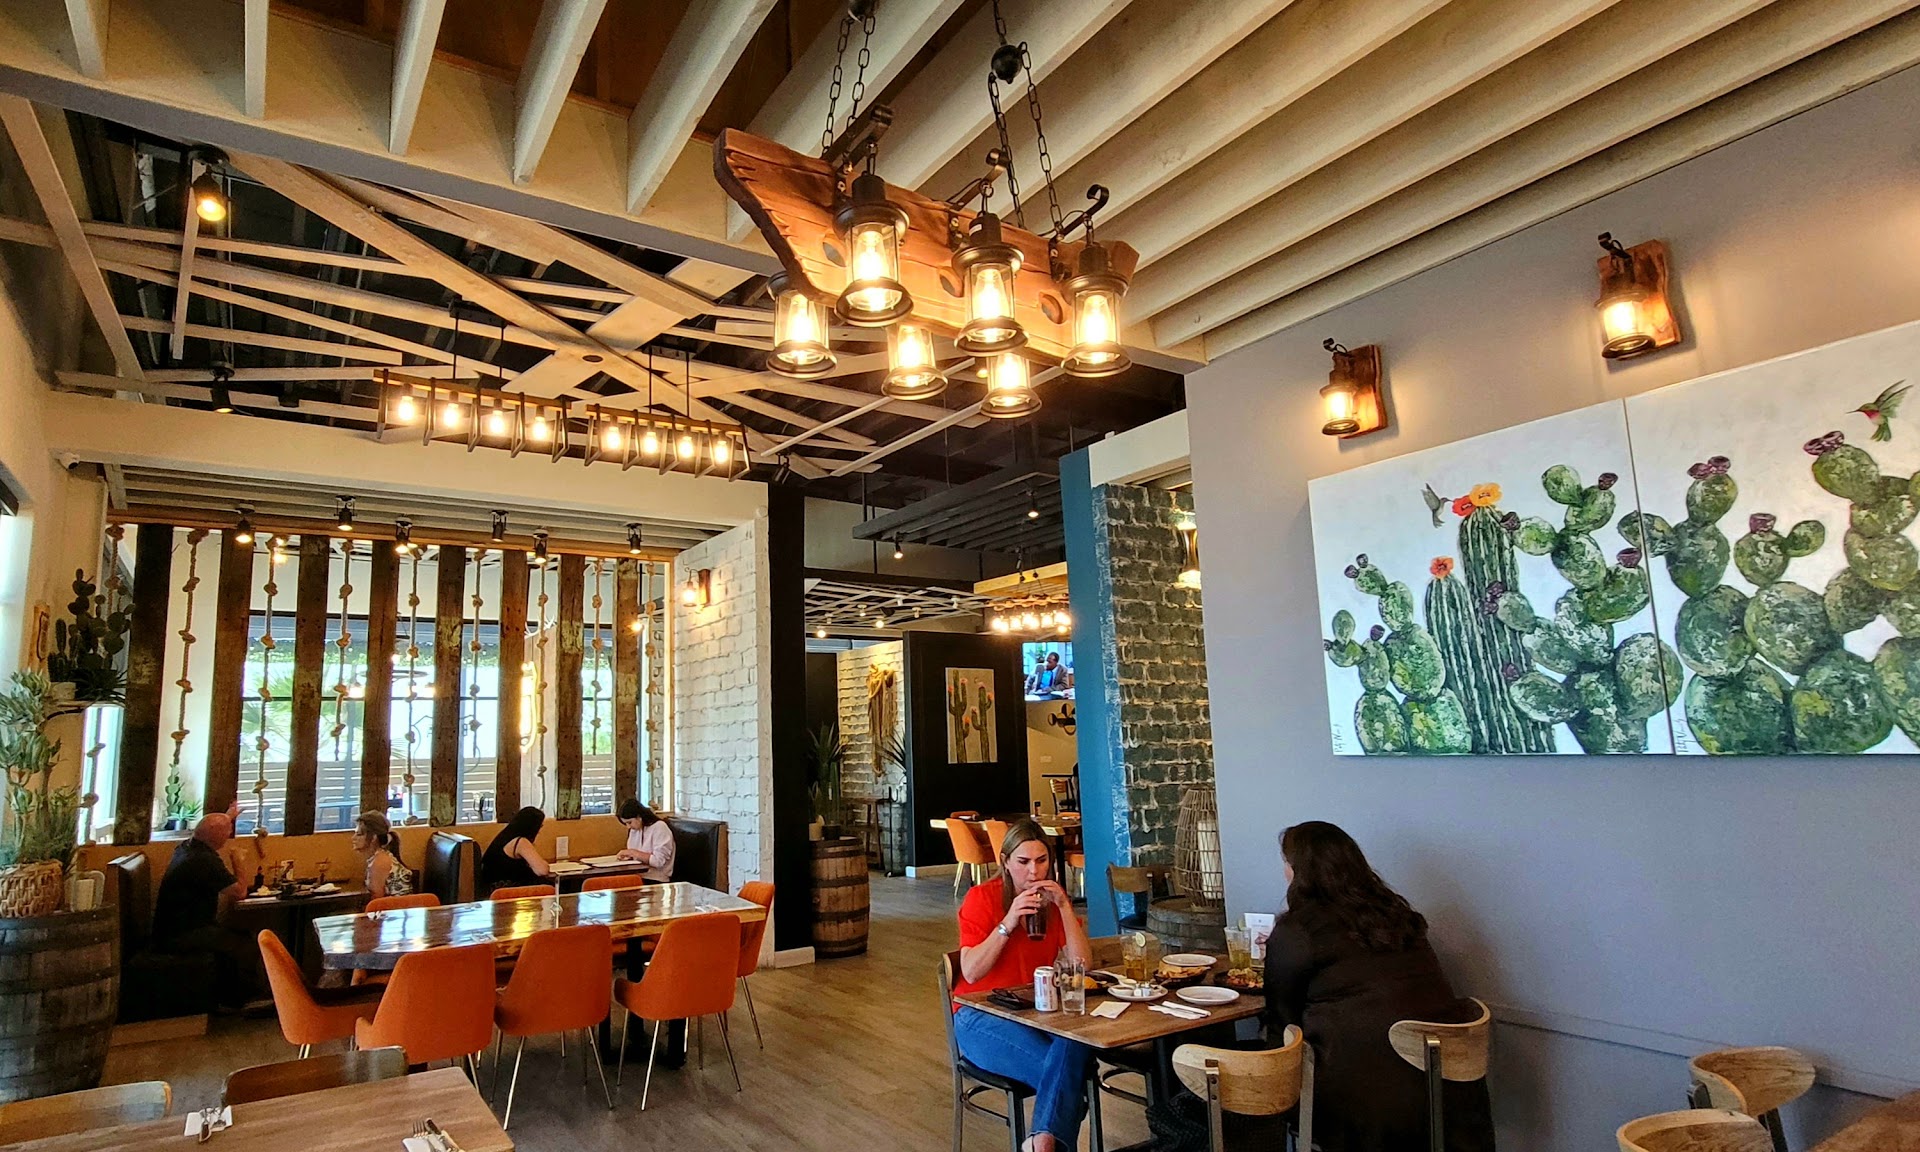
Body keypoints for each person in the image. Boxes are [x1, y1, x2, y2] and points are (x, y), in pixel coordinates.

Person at [1263, 821, 1494, 1152]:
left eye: (1286, 863)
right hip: (1448, 1091)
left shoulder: (1300, 929)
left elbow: (1283, 1017)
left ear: (1298, 871)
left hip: (1365, 1099)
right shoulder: (1395, 912)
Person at [951, 818, 1095, 1152]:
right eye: (1023, 861)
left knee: (1078, 1040)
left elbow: (1083, 965)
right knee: (1069, 1084)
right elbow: (970, 972)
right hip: (978, 1015)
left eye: (1041, 860)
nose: (1033, 871)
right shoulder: (981, 898)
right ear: (1005, 862)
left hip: (1033, 1013)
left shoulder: (1051, 902)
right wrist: (1009, 921)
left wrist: (1064, 906)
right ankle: (1042, 1141)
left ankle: (1038, 1143)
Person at [151, 804, 262, 1008]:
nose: (229, 835)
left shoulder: (187, 848)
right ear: (217, 836)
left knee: (239, 937)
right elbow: (239, 892)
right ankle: (241, 1001)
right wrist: (238, 861)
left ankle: (229, 998)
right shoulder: (204, 860)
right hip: (183, 934)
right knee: (245, 945)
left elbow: (211, 828)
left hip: (171, 929)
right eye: (227, 831)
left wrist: (227, 817)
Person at [482, 806, 554, 892]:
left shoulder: (505, 837)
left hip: (493, 888)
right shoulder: (520, 842)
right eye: (540, 826)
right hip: (510, 890)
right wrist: (545, 864)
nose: (539, 831)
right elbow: (542, 870)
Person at [351, 810, 414, 897]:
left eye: (359, 834)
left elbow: (377, 898)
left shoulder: (379, 862)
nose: (353, 838)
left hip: (396, 905)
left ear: (374, 837)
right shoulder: (379, 857)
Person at [615, 800, 675, 882]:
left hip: (655, 879)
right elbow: (635, 855)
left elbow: (659, 861)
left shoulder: (660, 827)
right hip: (638, 876)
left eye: (629, 822)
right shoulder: (635, 830)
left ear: (639, 817)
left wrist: (633, 853)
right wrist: (628, 857)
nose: (628, 827)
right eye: (625, 824)